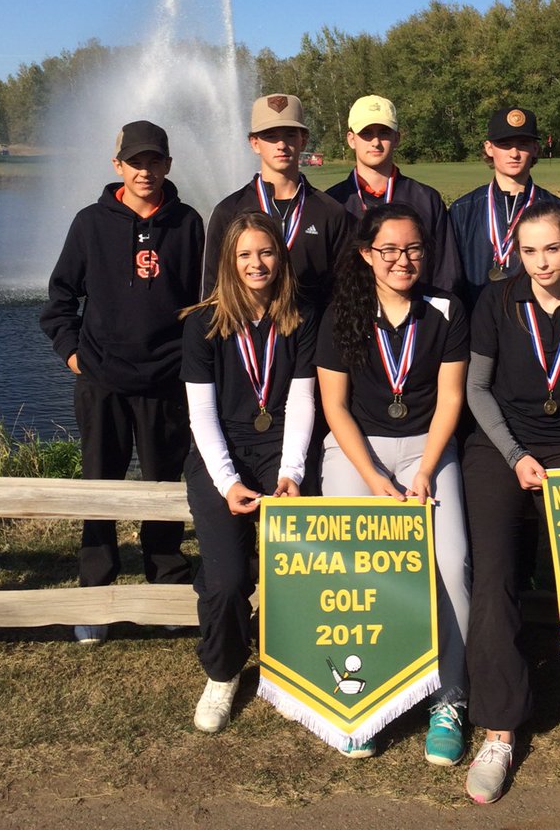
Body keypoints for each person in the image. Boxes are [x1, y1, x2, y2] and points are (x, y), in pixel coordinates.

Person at [462, 202, 560, 810]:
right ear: (516, 253)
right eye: (529, 251)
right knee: (495, 578)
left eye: (551, 249)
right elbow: (477, 388)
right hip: (502, 448)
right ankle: (500, 729)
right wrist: (513, 456)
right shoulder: (497, 301)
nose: (541, 262)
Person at [316, 203, 471, 764]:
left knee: (451, 564)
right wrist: (374, 476)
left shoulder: (447, 309)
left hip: (428, 451)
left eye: (413, 249)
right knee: (356, 566)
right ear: (366, 255)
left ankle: (450, 698)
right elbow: (335, 407)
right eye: (389, 250)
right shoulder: (342, 313)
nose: (403, 260)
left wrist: (425, 470)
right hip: (358, 452)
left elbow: (451, 399)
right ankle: (364, 697)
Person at [40, 120, 204, 643]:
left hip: (167, 381)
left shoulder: (189, 223)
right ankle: (96, 593)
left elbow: (205, 304)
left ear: (168, 166)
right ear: (118, 167)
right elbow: (60, 297)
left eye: (154, 161)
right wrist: (72, 354)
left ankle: (167, 582)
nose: (144, 171)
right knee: (100, 482)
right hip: (102, 379)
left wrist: (194, 362)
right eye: (135, 162)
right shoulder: (90, 223)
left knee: (162, 486)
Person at [180, 211, 316, 733]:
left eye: (266, 253)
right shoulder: (202, 323)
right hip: (223, 454)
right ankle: (223, 672)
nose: (256, 264)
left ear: (281, 258)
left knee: (300, 565)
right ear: (228, 263)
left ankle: (292, 659)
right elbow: (201, 416)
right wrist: (228, 481)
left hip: (284, 451)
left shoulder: (301, 315)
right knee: (230, 576)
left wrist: (292, 473)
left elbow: (303, 403)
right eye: (245, 255)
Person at [202, 93, 351, 312]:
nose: (281, 144)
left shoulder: (330, 211)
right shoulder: (229, 210)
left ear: (303, 140)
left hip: (312, 339)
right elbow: (213, 291)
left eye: (290, 135)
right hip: (246, 339)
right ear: (254, 143)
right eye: (270, 136)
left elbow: (343, 291)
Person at [326, 94, 462, 293]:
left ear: (396, 138)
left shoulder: (426, 199)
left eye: (383, 132)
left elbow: (445, 272)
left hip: (416, 316)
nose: (375, 142)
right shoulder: (333, 202)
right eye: (366, 133)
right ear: (351, 139)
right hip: (352, 315)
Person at [448, 106, 560, 310]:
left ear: (535, 149)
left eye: (523, 144)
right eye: (505, 145)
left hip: (535, 327)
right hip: (476, 325)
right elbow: (452, 279)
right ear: (489, 148)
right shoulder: (462, 210)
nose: (514, 153)